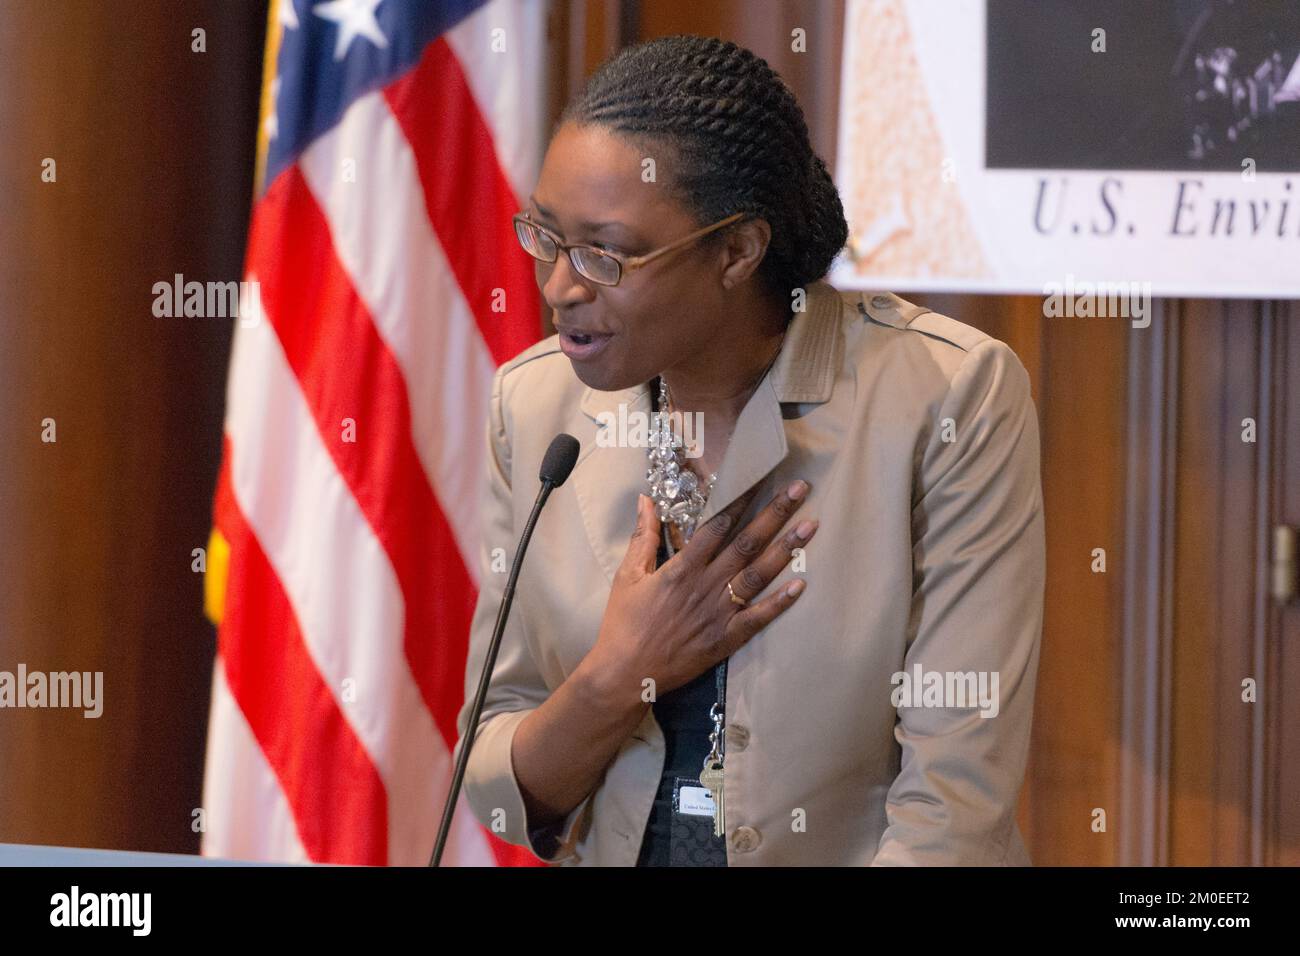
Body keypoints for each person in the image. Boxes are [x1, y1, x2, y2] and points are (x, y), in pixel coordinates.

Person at [452, 34, 1045, 866]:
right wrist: (620, 674)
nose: (561, 286)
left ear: (737, 250)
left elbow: (952, 807)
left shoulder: (948, 397)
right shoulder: (536, 400)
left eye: (606, 252)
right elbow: (495, 784)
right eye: (547, 237)